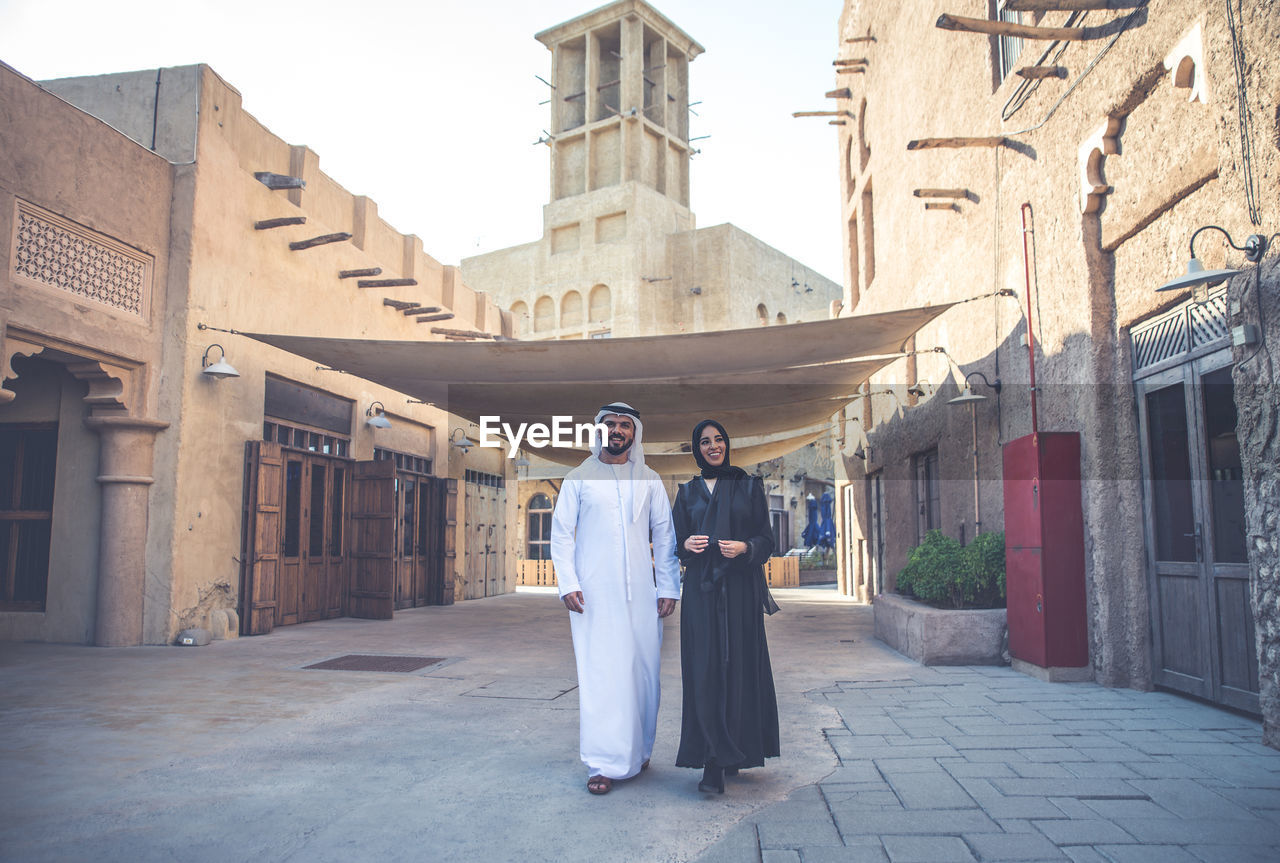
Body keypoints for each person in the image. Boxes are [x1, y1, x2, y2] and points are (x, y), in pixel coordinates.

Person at [550, 402, 681, 795]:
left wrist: (669, 586)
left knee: (644, 674)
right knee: (602, 675)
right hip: (594, 595)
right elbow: (561, 535)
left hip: (642, 594)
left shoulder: (650, 479)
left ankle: (638, 751)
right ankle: (603, 763)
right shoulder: (578, 478)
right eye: (611, 424)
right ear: (600, 431)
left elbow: (665, 535)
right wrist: (568, 583)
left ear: (635, 433)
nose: (618, 430)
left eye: (625, 425)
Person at [671, 419, 780, 793]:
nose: (713, 446)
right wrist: (686, 547)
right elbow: (676, 541)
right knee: (706, 670)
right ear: (696, 448)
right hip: (701, 593)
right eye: (704, 441)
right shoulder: (687, 493)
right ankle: (712, 761)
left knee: (738, 668)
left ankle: (735, 751)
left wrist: (745, 548)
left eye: (718, 439)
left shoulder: (748, 486)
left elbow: (767, 539)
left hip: (739, 591)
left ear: (727, 444)